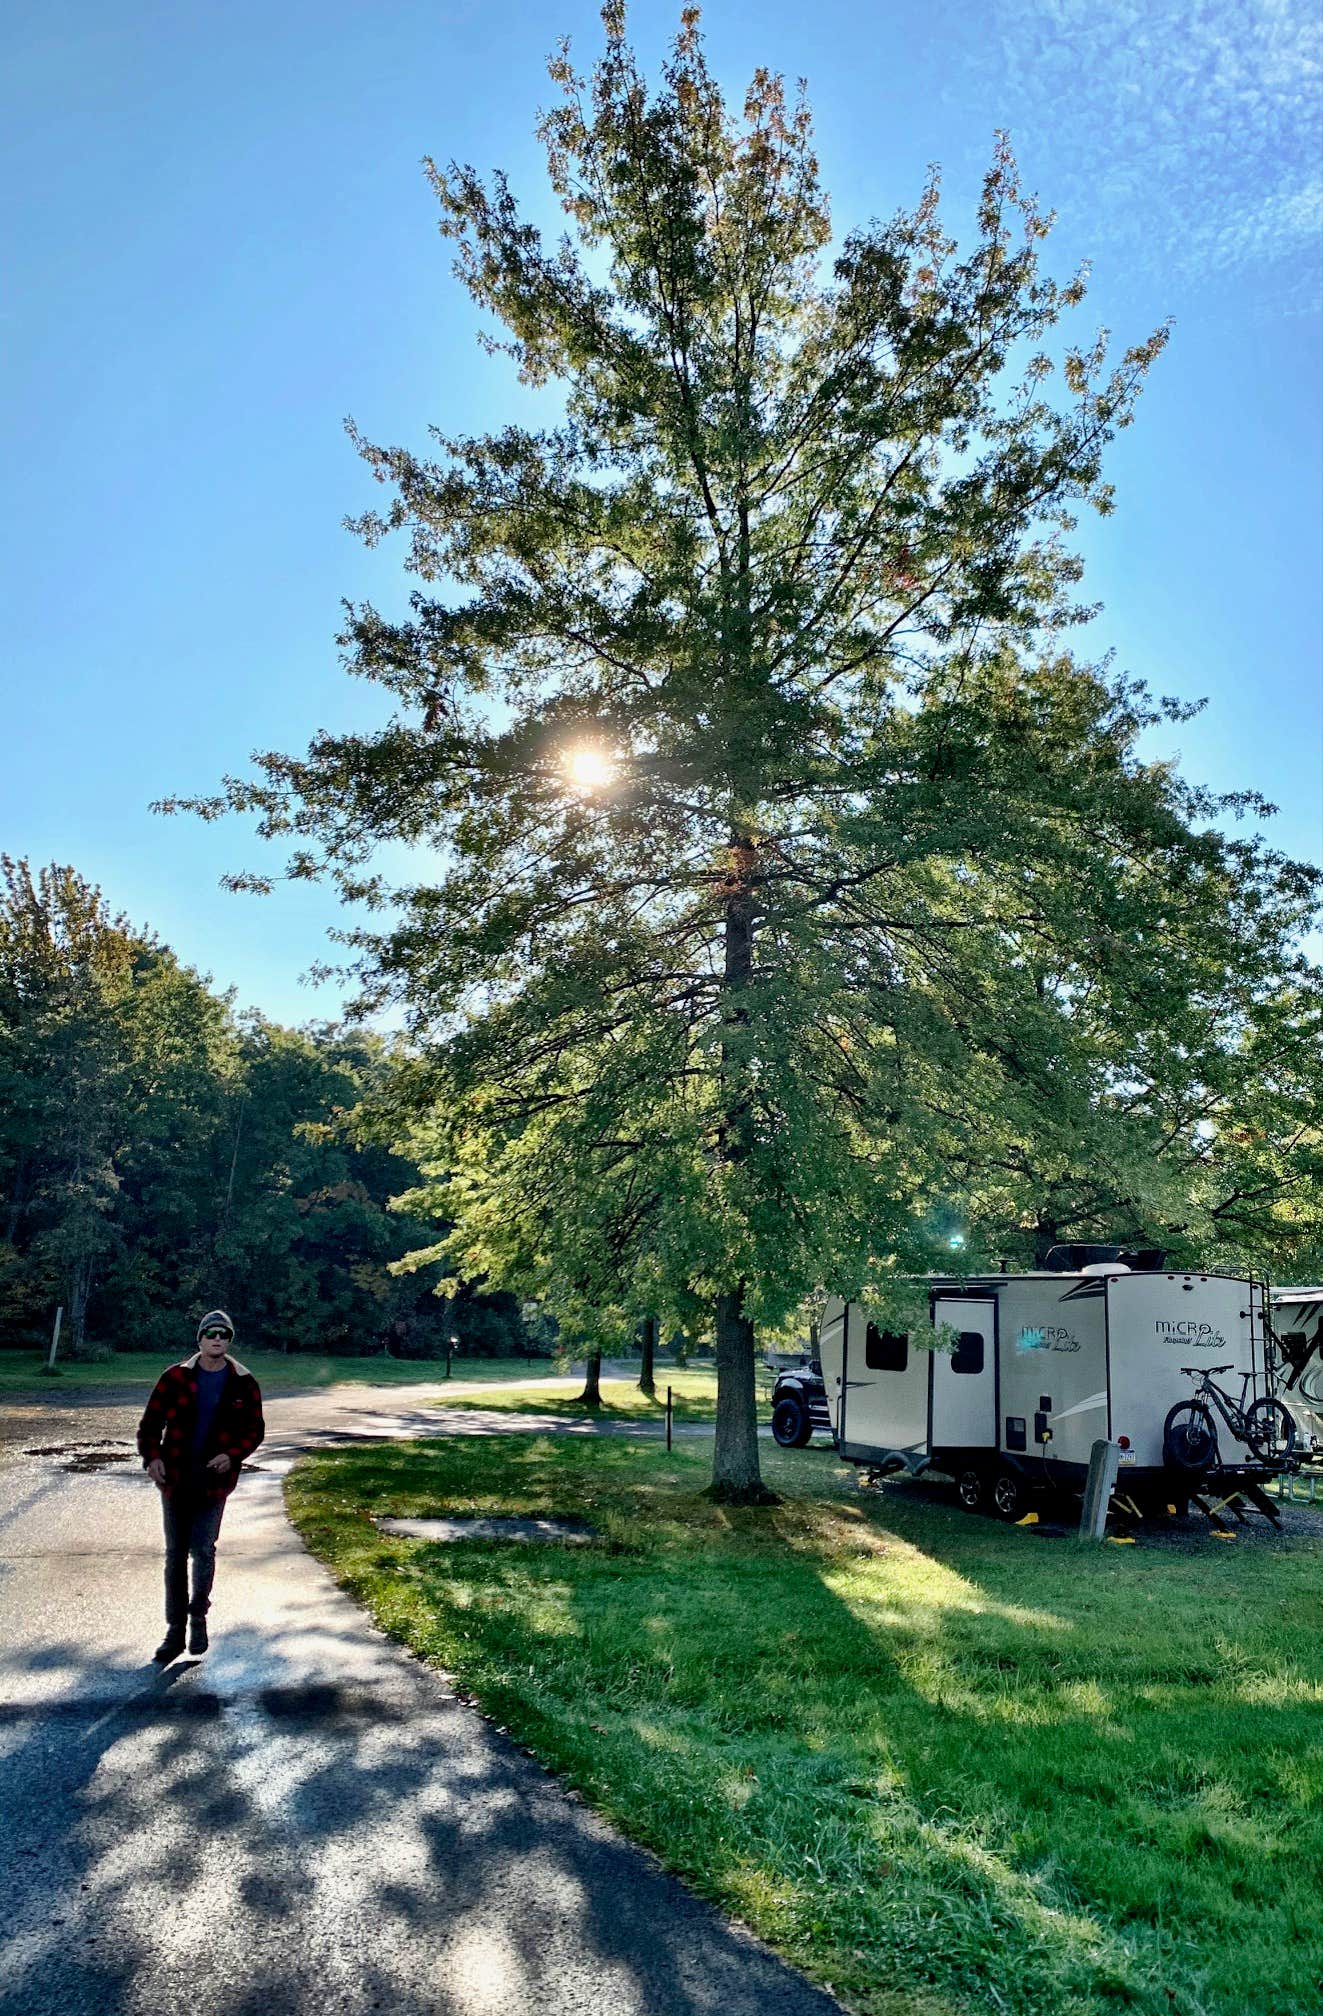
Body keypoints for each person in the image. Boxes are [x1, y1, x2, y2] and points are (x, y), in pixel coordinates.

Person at [136, 1310, 265, 1661]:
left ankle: (198, 1618)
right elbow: (150, 1424)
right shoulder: (174, 1377)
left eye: (224, 1334)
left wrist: (232, 1455)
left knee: (204, 1550)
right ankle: (174, 1630)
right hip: (176, 1478)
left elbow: (254, 1430)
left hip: (214, 1481)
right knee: (175, 1555)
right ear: (200, 1339)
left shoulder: (243, 1381)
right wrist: (152, 1459)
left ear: (229, 1340)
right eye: (211, 1333)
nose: (217, 1339)